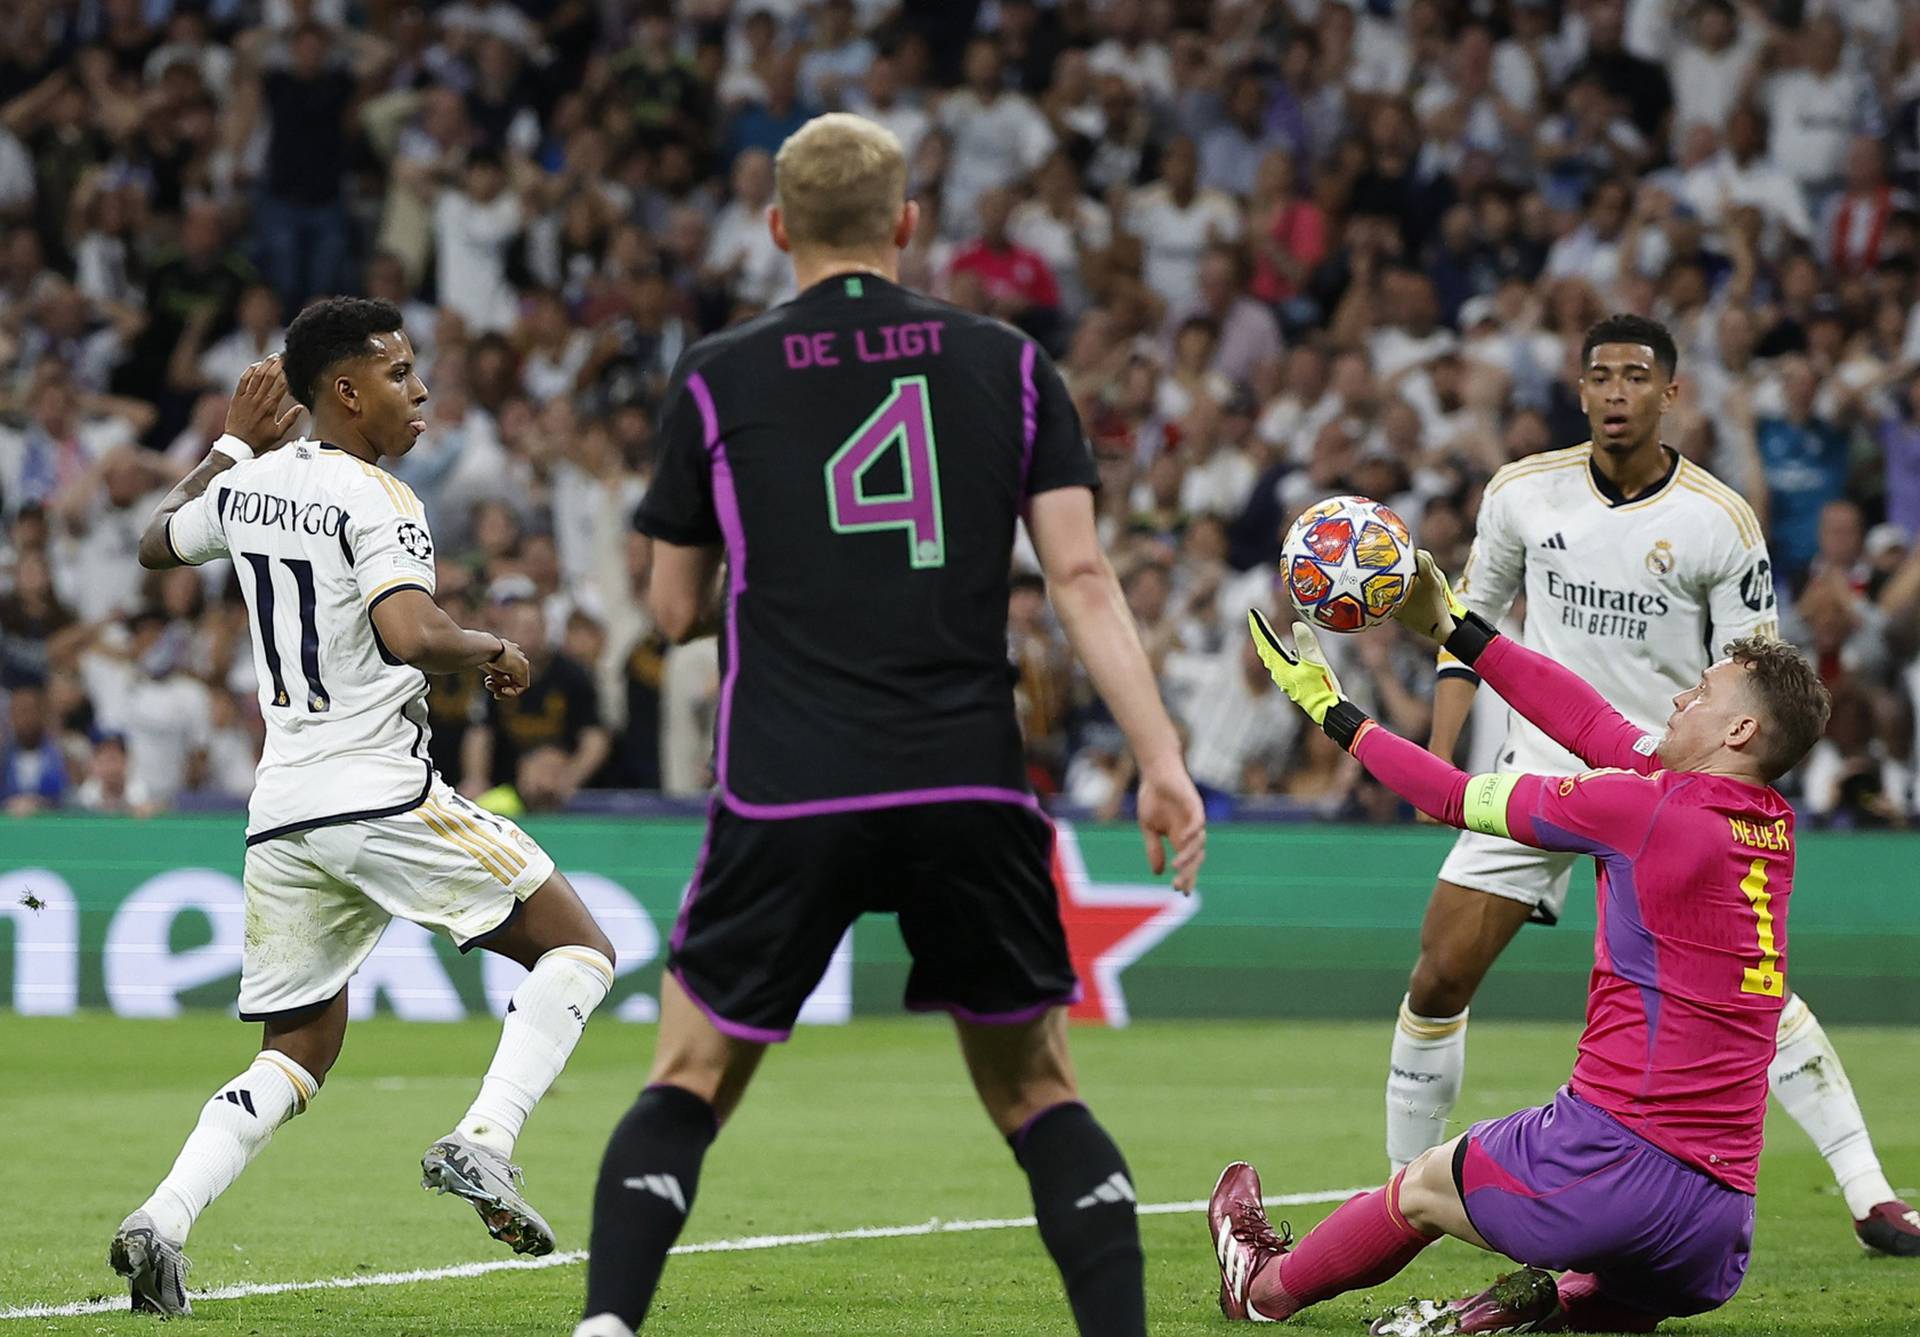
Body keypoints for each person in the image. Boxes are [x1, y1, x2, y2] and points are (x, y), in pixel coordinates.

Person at [578, 113, 1206, 1337]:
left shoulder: (717, 372)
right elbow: (1080, 579)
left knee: (690, 1077)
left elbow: (669, 610)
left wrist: (773, 572)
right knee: (1036, 1090)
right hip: (963, 777)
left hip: (787, 781)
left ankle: (607, 1325)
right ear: (906, 224)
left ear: (776, 229)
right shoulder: (1010, 363)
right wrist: (1161, 757)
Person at [109, 304, 619, 1316]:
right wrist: (490, 648)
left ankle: (162, 1216)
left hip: (283, 808)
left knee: (297, 1050)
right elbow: (408, 628)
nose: (419, 389)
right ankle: (485, 1139)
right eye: (397, 371)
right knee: (580, 948)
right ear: (346, 392)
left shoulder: (251, 484)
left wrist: (226, 444)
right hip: (376, 789)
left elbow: (155, 542)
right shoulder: (381, 497)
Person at [1382, 313, 1920, 1256]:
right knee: (1437, 975)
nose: (1616, 392)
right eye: (1600, 376)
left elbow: (1753, 676)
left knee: (1750, 990)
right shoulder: (1518, 495)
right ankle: (1393, 1196)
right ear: (1579, 389)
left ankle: (1870, 1192)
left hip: (1667, 787)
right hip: (1544, 771)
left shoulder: (1718, 520)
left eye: (1637, 376)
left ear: (1671, 394)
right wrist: (1444, 758)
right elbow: (1467, 625)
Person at [1211, 552, 1832, 1331]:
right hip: (1717, 1225)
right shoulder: (1770, 827)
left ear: (1739, 728)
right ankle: (1540, 1302)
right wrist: (1454, 629)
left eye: (1701, 691)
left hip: (1610, 1161)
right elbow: (1592, 724)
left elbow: (1450, 795)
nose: (1680, 695)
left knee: (1422, 1187)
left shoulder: (1640, 810)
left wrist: (1333, 709)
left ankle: (1262, 1286)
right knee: (1617, 1286)